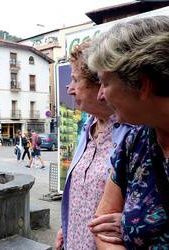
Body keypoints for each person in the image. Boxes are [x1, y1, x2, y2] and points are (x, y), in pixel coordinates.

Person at [86, 16, 169, 249]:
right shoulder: (135, 142)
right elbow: (101, 228)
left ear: (142, 84)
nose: (100, 95)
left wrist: (129, 224)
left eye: (105, 83)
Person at [56, 42, 132, 250]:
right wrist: (65, 227)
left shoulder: (132, 131)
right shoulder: (86, 127)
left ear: (100, 83)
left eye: (75, 80)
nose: (69, 89)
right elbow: (79, 192)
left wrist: (128, 222)